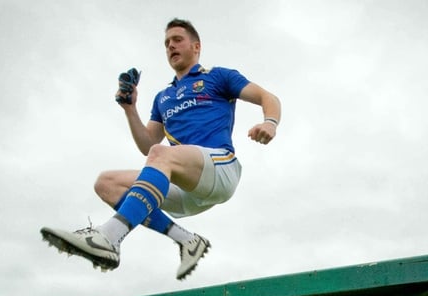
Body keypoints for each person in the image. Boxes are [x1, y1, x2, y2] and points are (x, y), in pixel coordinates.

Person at [40, 18, 282, 279]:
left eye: (177, 40)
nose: (171, 46)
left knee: (161, 155)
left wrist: (270, 122)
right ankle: (187, 240)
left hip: (220, 169)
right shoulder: (163, 97)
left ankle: (109, 237)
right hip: (186, 185)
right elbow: (148, 145)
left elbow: (268, 97)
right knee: (106, 183)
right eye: (166, 43)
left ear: (196, 46)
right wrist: (130, 109)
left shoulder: (217, 76)